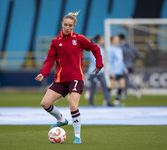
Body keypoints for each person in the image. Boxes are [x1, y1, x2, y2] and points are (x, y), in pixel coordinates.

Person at [35, 11, 103, 144]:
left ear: (74, 26)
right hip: (60, 79)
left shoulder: (79, 39)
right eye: (65, 25)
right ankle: (61, 120)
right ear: (62, 24)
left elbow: (95, 48)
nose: (67, 27)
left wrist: (99, 64)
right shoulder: (55, 42)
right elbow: (49, 60)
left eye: (70, 25)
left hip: (76, 78)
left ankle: (77, 136)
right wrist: (43, 73)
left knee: (73, 106)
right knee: (45, 103)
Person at [87, 35, 114, 106]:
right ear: (99, 40)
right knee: (93, 88)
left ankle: (108, 102)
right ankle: (91, 103)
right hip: (94, 72)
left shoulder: (101, 48)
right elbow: (94, 60)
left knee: (105, 87)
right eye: (102, 39)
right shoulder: (93, 48)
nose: (104, 40)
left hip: (101, 72)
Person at [118, 34, 141, 100]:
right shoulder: (130, 45)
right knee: (124, 80)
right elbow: (137, 54)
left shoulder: (121, 46)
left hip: (123, 66)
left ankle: (136, 89)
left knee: (125, 81)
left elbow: (119, 57)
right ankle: (125, 94)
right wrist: (133, 60)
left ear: (120, 38)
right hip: (130, 65)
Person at [107, 36, 128, 106]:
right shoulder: (111, 50)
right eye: (116, 40)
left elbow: (121, 61)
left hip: (120, 71)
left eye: (118, 40)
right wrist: (111, 71)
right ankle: (107, 99)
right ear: (112, 41)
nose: (117, 41)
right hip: (114, 71)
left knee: (122, 85)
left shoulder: (119, 50)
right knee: (112, 86)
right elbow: (109, 61)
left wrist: (124, 69)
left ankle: (116, 100)